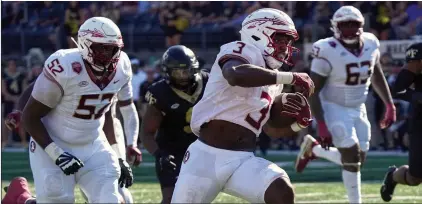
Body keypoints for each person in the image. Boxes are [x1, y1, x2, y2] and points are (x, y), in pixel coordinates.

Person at [171, 8, 315, 204]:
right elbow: (235, 74)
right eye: (280, 38)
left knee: (281, 190)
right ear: (258, 32)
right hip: (205, 158)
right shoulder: (239, 49)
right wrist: (292, 76)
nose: (285, 47)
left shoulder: (275, 80)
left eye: (289, 42)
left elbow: (270, 130)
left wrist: (298, 124)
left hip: (242, 160)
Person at [3, 17, 137, 203]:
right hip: (52, 141)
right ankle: (20, 198)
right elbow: (31, 116)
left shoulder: (122, 67)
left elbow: (107, 114)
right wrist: (56, 154)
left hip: (93, 144)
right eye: (101, 48)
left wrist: (119, 156)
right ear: (85, 44)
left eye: (112, 48)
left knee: (111, 199)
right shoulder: (65, 65)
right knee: (57, 200)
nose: (108, 55)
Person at [295, 6, 396, 204]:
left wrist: (389, 104)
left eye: (354, 24)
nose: (350, 29)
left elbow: (376, 72)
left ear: (362, 26)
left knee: (358, 159)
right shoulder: (326, 49)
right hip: (333, 105)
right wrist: (321, 124)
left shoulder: (371, 43)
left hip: (359, 106)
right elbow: (313, 90)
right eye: (345, 25)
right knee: (350, 154)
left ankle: (314, 150)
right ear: (335, 27)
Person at [3, 81, 142, 204]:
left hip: (96, 136)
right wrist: (19, 111)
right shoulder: (69, 63)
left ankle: (21, 197)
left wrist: (126, 148)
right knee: (58, 197)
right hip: (57, 136)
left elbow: (116, 112)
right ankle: (21, 197)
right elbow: (35, 89)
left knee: (117, 197)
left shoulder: (120, 65)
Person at [140, 45, 209, 204]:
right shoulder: (160, 92)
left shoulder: (209, 82)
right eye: (177, 72)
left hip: (205, 147)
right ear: (167, 72)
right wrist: (159, 154)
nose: (183, 76)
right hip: (172, 151)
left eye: (186, 71)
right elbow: (147, 132)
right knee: (172, 199)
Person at [380, 42, 422, 202]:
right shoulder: (418, 52)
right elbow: (398, 89)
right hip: (420, 122)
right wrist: (418, 97)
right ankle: (393, 176)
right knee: (415, 178)